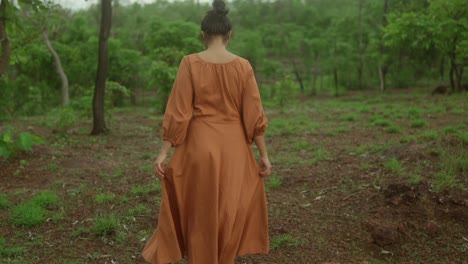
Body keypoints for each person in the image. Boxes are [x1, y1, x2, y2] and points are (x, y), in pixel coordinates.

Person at [142, 0, 271, 263]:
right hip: (234, 149)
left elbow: (179, 111)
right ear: (229, 35)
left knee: (201, 210)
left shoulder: (189, 63)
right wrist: (264, 155)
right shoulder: (243, 66)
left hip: (199, 147)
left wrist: (163, 152)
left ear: (203, 34)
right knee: (228, 209)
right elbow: (253, 114)